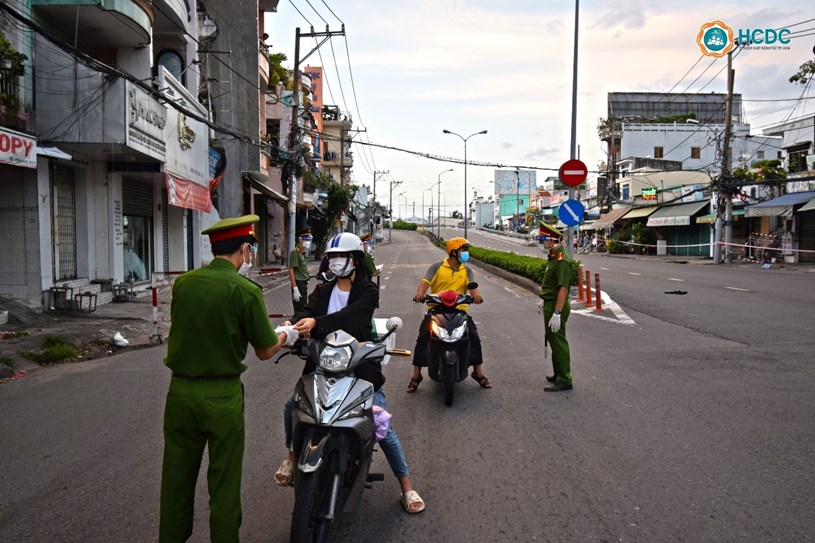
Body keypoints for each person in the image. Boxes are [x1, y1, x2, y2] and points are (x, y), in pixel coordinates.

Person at [159, 214, 299, 543]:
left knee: (175, 481)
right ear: (244, 250)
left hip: (179, 393)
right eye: (248, 250)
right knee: (223, 484)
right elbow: (265, 350)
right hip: (221, 396)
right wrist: (286, 334)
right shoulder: (245, 290)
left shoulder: (184, 284)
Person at [274, 232, 426, 514]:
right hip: (322, 363)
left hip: (360, 366)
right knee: (292, 406)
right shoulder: (322, 290)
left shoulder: (368, 291)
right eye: (331, 257)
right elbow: (305, 313)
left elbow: (353, 318)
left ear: (354, 260)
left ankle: (406, 486)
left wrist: (316, 323)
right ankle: (291, 456)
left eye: (340, 257)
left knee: (380, 423)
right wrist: (290, 325)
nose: (334, 262)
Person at [407, 237, 490, 392]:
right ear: (453, 252)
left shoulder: (467, 270)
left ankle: (477, 372)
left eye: (466, 250)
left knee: (473, 336)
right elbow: (425, 283)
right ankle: (416, 375)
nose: (466, 253)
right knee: (423, 336)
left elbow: (473, 288)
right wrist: (419, 294)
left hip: (459, 310)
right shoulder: (437, 267)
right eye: (463, 250)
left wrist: (477, 296)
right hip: (436, 309)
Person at [537, 222, 573, 392]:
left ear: (552, 241)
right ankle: (558, 373)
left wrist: (557, 312)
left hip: (556, 306)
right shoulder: (553, 257)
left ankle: (565, 379)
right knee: (553, 340)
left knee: (558, 342)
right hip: (550, 303)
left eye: (544, 240)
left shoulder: (562, 260)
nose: (542, 243)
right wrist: (544, 300)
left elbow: (563, 288)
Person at [288, 228, 312, 314]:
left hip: (303, 284)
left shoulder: (302, 252)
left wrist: (307, 277)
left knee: (303, 308)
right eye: (306, 239)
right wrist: (295, 288)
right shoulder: (295, 252)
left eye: (309, 239)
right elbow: (291, 270)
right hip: (299, 284)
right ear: (300, 240)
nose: (308, 241)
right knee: (300, 310)